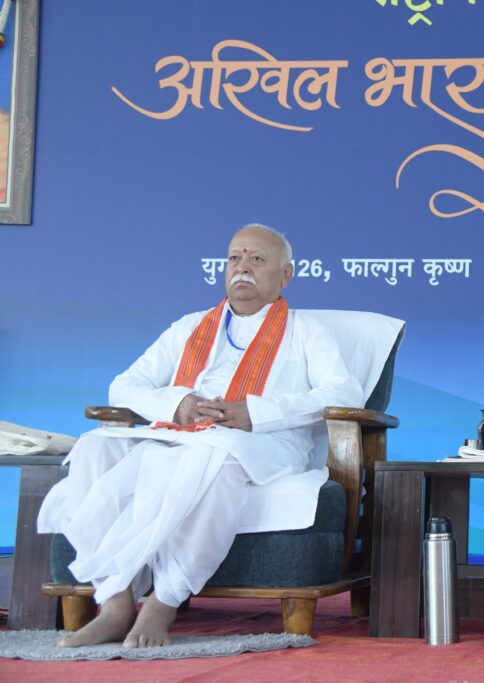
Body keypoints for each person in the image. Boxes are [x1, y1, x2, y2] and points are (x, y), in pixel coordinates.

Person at [37, 224, 363, 648]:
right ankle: (115, 601)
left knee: (216, 458)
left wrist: (255, 412)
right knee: (93, 448)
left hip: (260, 442)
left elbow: (344, 392)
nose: (242, 268)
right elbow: (124, 385)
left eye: (257, 259)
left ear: (286, 275)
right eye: (234, 258)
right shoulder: (190, 326)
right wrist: (178, 404)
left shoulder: (306, 332)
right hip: (181, 433)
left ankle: (163, 603)